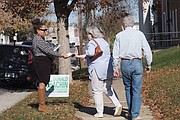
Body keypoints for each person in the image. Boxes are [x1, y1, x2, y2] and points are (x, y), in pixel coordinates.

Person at [75, 26, 122, 118]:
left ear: (91, 34)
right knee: (108, 88)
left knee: (97, 90)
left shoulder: (92, 42)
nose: (87, 36)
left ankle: (99, 112)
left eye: (88, 34)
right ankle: (117, 104)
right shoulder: (104, 42)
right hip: (107, 68)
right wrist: (79, 56)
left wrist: (87, 51)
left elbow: (92, 53)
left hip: (96, 69)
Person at [112, 15, 152, 120]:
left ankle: (130, 111)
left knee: (128, 88)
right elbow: (147, 51)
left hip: (125, 63)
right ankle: (135, 114)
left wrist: (115, 67)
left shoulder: (119, 36)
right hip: (136, 62)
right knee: (136, 90)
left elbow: (115, 54)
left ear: (124, 25)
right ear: (133, 24)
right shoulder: (139, 34)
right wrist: (148, 64)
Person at [32, 19, 68, 114]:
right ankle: (42, 105)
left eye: (45, 30)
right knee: (42, 82)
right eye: (43, 30)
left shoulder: (40, 39)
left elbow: (48, 49)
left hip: (44, 61)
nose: (45, 32)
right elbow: (48, 51)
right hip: (41, 62)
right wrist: (61, 55)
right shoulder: (38, 39)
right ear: (37, 30)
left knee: (44, 81)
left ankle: (42, 104)